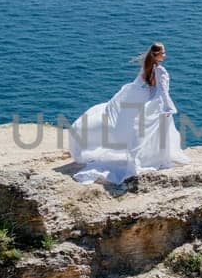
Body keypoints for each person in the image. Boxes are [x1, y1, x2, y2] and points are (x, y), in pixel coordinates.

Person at [68, 42, 191, 184]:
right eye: (163, 53)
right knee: (158, 132)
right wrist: (170, 108)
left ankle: (150, 156)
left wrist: (127, 94)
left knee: (151, 132)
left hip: (150, 101)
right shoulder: (161, 71)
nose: (165, 55)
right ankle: (156, 157)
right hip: (158, 104)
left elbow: (137, 84)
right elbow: (163, 92)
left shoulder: (147, 67)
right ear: (157, 55)